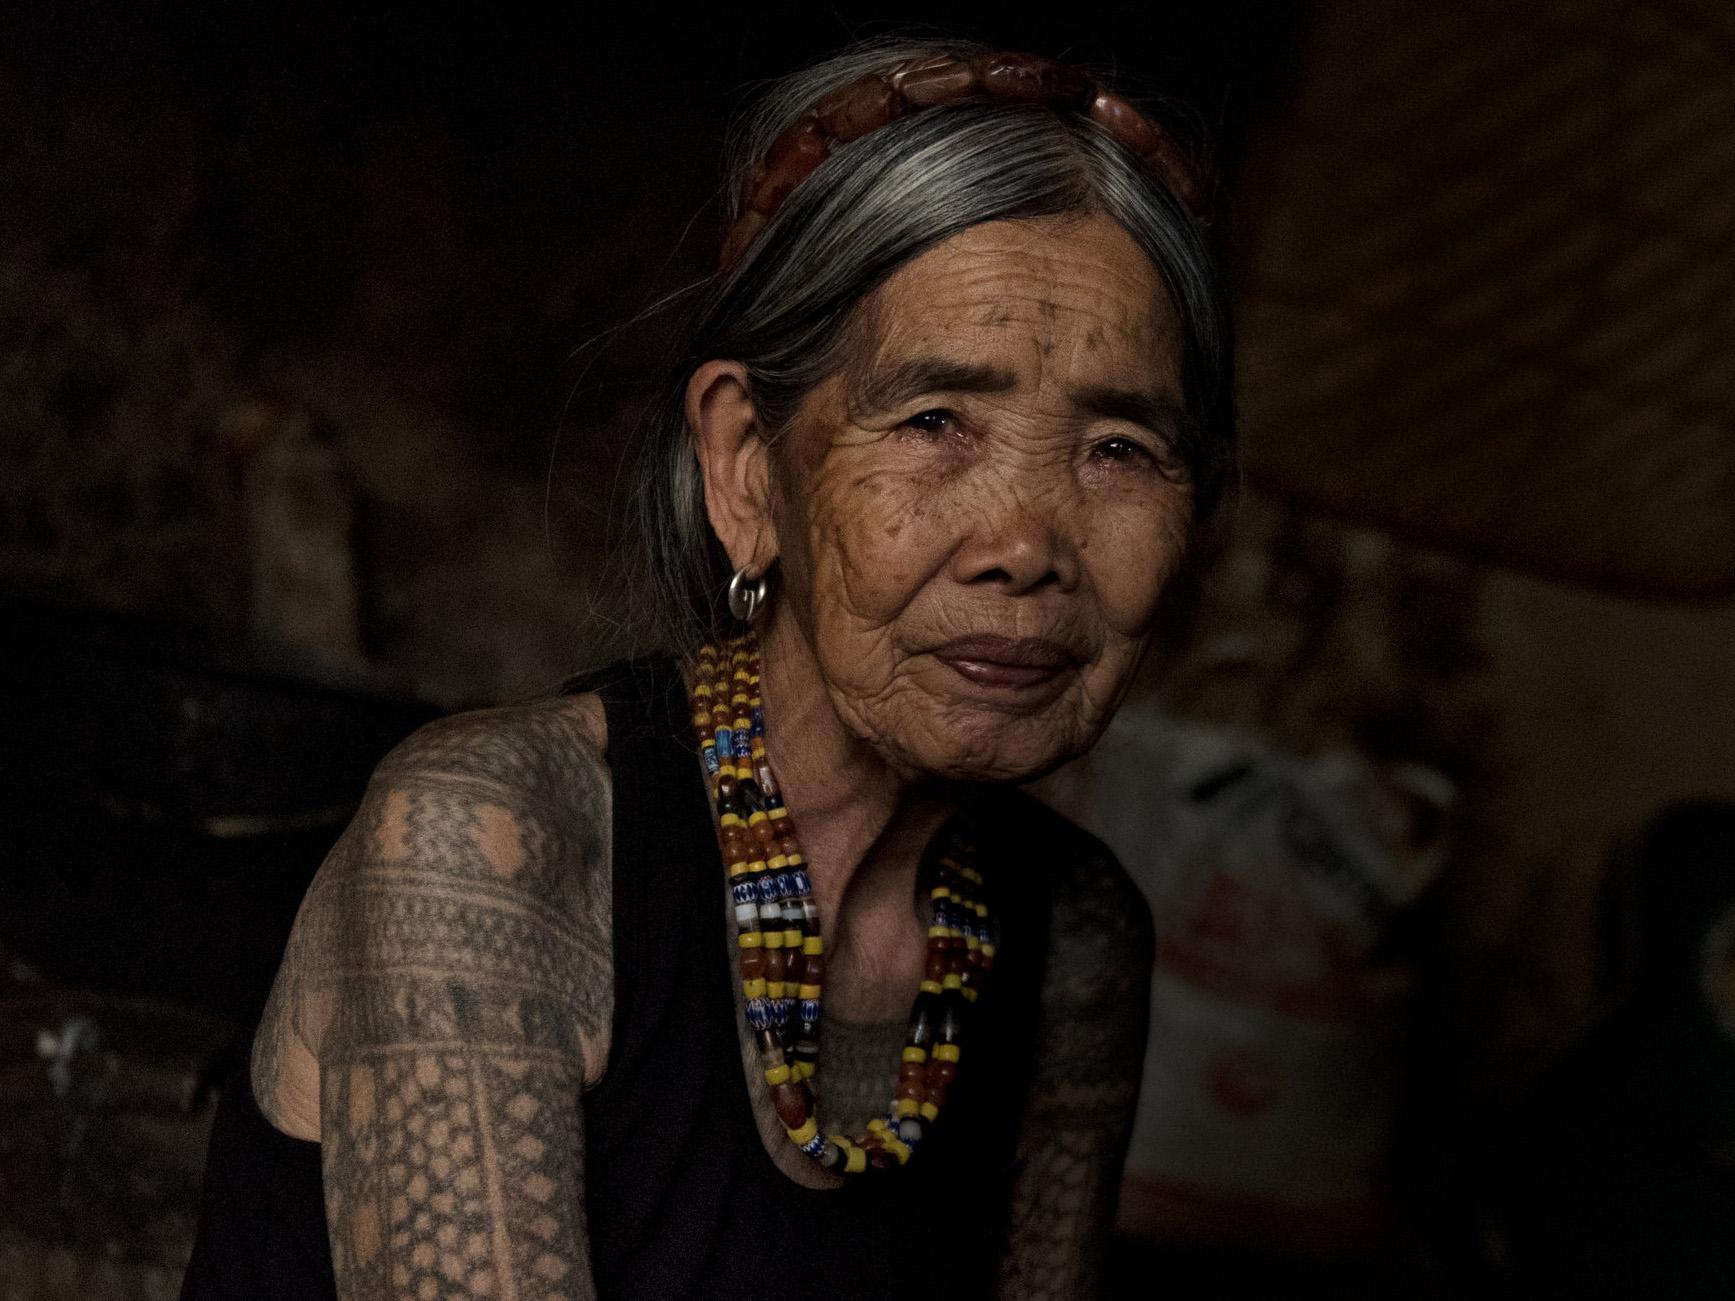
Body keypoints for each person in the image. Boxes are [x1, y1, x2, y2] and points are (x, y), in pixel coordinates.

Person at [182, 34, 1234, 1301]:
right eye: (935, 422)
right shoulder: (488, 846)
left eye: (1120, 449)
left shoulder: (1075, 940)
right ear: (746, 465)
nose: (1024, 546)